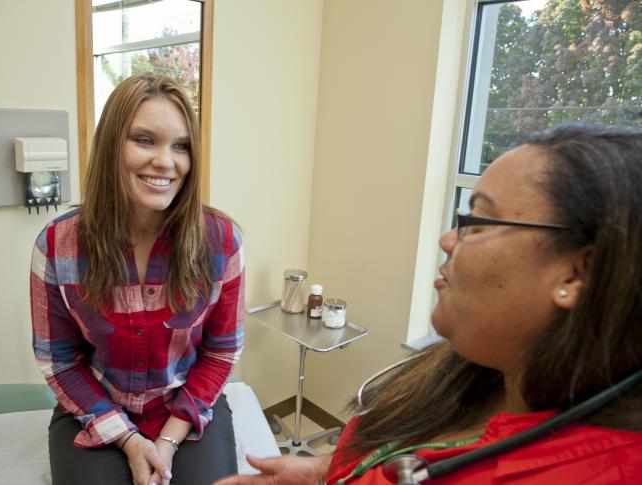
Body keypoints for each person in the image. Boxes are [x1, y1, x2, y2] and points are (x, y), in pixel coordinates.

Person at [215, 124, 642, 485]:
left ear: (575, 274)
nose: (447, 240)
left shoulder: (600, 470)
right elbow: (404, 463)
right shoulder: (474, 376)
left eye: (477, 222)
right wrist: (322, 473)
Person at [30, 74, 244, 485]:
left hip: (185, 406)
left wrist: (167, 442)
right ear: (112, 146)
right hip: (95, 406)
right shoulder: (57, 245)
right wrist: (128, 440)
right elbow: (59, 361)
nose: (166, 161)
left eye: (180, 146)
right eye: (144, 140)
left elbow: (221, 353)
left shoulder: (222, 242)